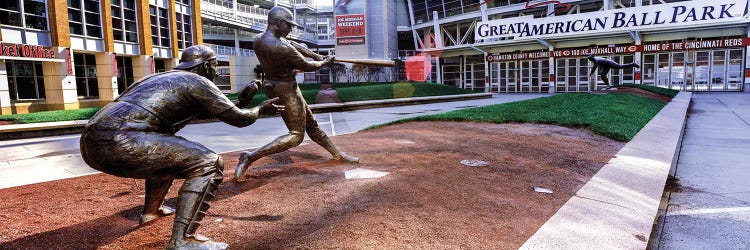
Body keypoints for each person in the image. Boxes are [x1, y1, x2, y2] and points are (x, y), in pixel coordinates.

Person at [80, 45, 282, 250]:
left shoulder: (160, 78)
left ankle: (151, 212)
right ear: (205, 65)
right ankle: (183, 240)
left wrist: (242, 100)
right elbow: (239, 120)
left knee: (166, 155)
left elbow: (210, 111)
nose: (215, 71)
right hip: (122, 141)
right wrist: (260, 109)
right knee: (208, 163)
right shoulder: (198, 81)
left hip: (91, 141)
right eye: (214, 66)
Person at [235, 6, 358, 180]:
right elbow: (306, 66)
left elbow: (294, 44)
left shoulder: (259, 40)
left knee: (312, 126)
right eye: (289, 25)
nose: (291, 28)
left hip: (274, 85)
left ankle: (338, 154)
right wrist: (324, 62)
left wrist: (317, 56)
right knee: (296, 135)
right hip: (286, 90)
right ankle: (250, 156)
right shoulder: (281, 48)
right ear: (278, 23)